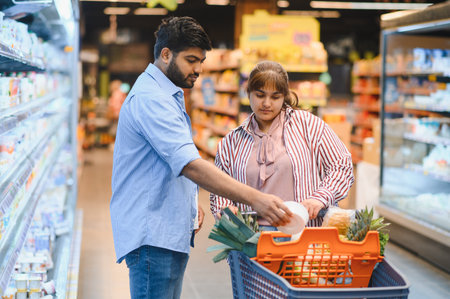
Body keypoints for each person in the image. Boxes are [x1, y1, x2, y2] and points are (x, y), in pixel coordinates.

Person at [110, 17, 292, 299]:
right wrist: (255, 198)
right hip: (152, 237)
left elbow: (166, 160)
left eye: (202, 61)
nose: (198, 69)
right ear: (166, 54)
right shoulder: (152, 99)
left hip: (164, 231)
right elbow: (189, 164)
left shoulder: (167, 92)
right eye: (191, 60)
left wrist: (189, 203)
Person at [210, 61, 354, 229]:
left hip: (303, 235)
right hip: (251, 240)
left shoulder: (308, 125)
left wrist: (320, 197)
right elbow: (219, 187)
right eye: (260, 95)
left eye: (275, 97)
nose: (266, 103)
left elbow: (341, 165)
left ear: (284, 96)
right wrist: (224, 208)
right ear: (248, 92)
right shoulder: (231, 142)